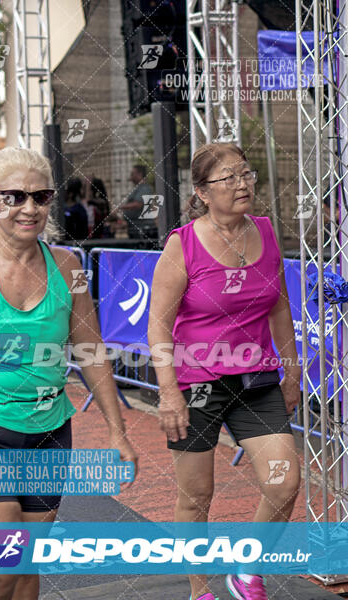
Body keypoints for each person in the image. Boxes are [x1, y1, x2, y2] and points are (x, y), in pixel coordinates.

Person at [0, 147, 137, 600]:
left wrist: (118, 431)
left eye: (41, 196)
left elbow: (90, 351)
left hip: (47, 428)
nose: (29, 208)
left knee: (25, 566)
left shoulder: (68, 268)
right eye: (14, 196)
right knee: (1, 564)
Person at [148, 143, 301, 600]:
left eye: (246, 174)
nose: (242, 184)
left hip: (256, 378)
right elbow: (157, 321)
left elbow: (279, 306)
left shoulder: (267, 232)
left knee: (285, 481)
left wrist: (291, 372)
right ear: (201, 192)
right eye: (228, 178)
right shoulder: (184, 244)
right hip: (194, 383)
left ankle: (246, 568)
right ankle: (199, 591)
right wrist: (168, 392)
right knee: (196, 496)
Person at [121, 165, 158, 239]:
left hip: (143, 229)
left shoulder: (144, 188)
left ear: (140, 174)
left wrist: (120, 207)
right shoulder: (138, 188)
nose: (131, 176)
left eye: (133, 173)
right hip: (135, 227)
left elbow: (138, 204)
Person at [64, 177, 89, 241]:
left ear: (70, 194)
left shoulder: (79, 211)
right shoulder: (60, 207)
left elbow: (83, 233)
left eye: (64, 191)